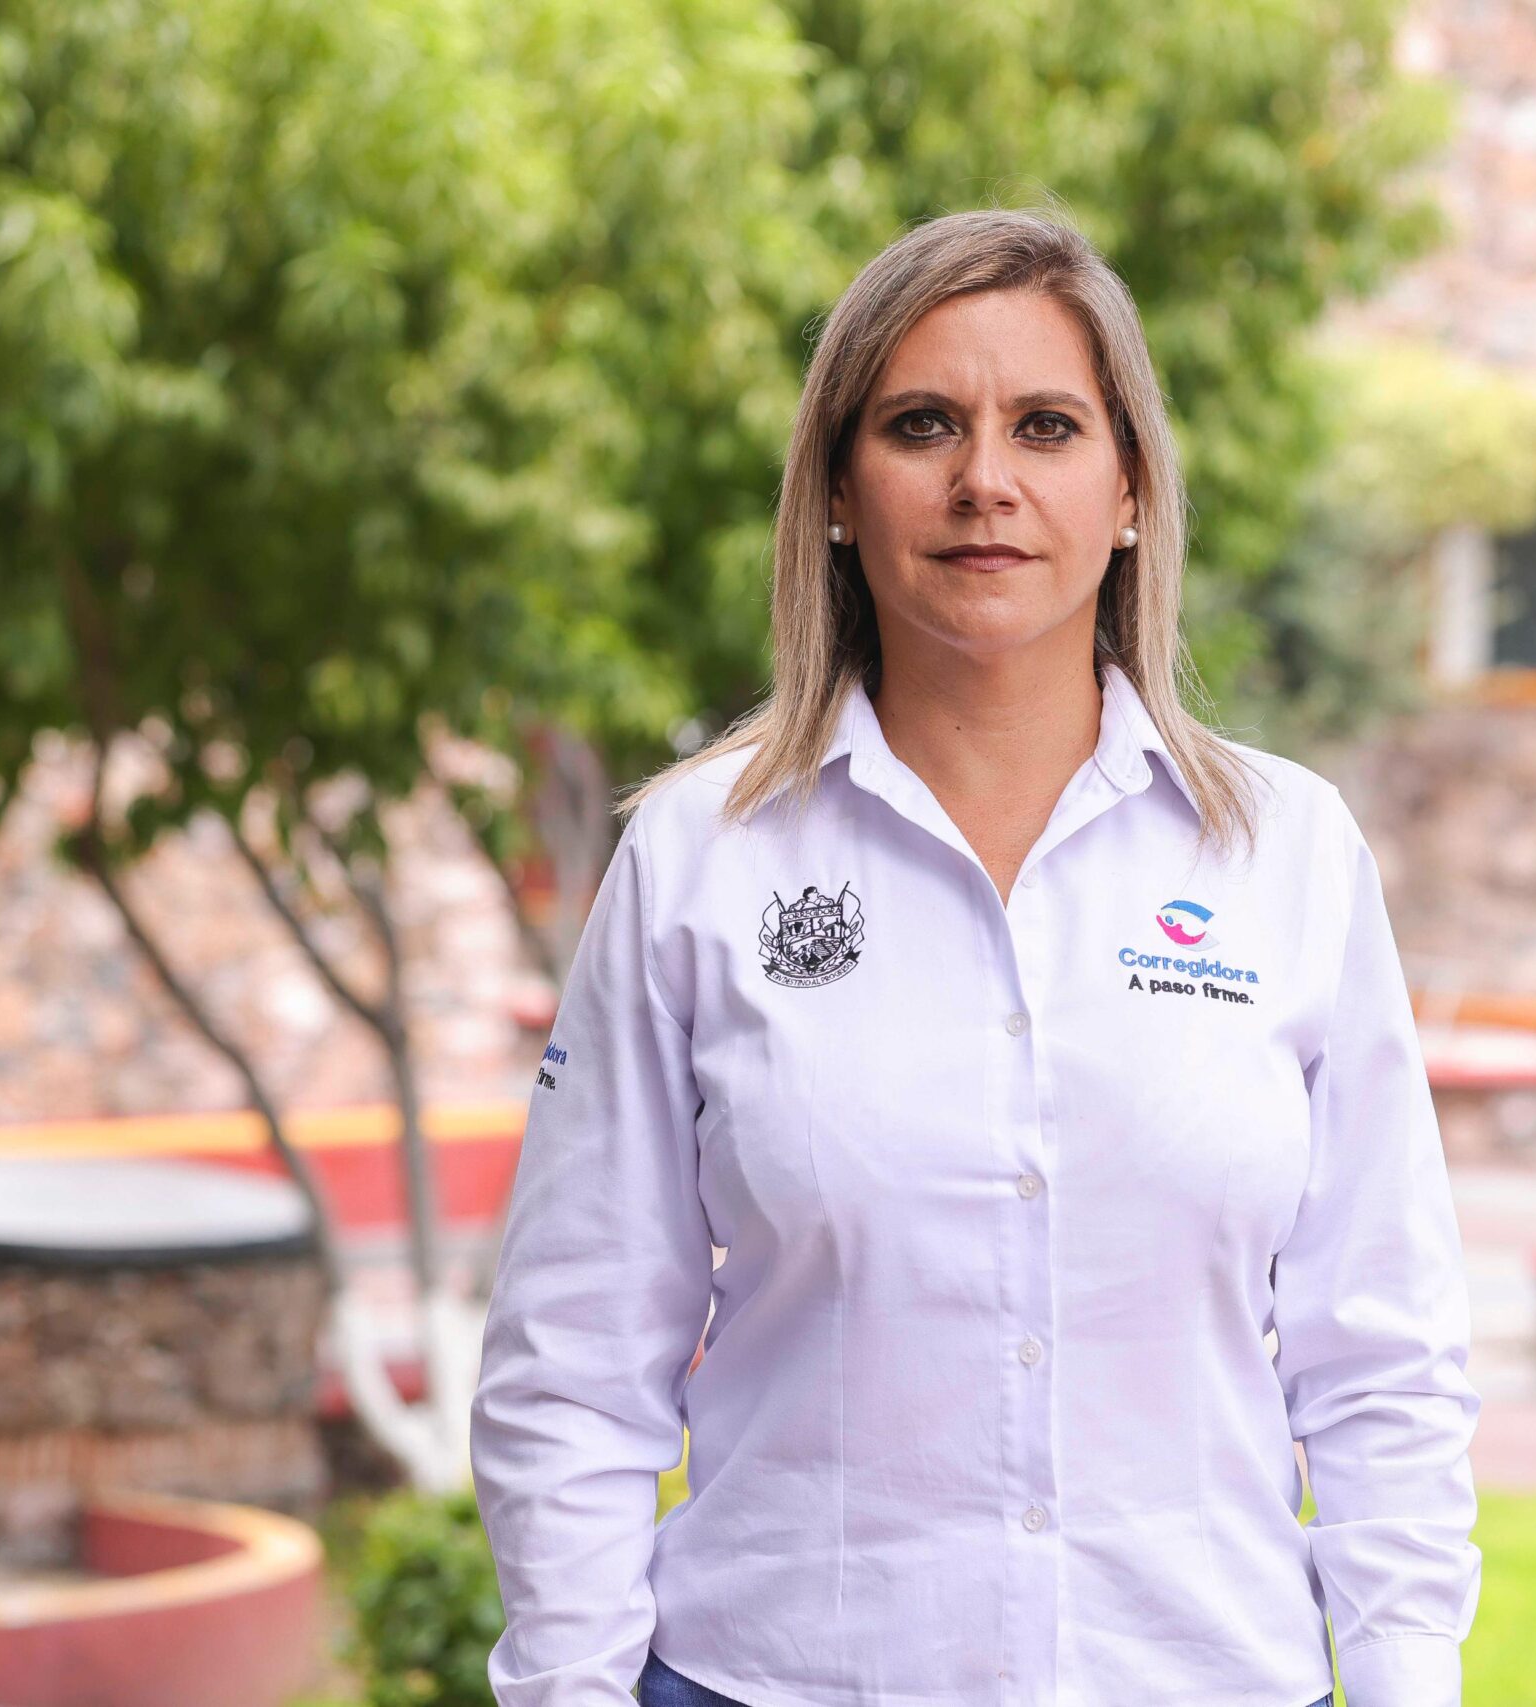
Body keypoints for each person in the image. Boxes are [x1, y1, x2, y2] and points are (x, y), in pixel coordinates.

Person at [470, 205, 1483, 1707]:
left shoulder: (1291, 856)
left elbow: (1382, 1356)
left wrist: (1404, 1676)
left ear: (1128, 490)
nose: (985, 481)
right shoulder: (699, 859)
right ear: (836, 490)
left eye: (1047, 427)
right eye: (923, 424)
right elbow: (573, 1359)